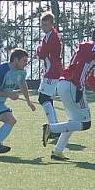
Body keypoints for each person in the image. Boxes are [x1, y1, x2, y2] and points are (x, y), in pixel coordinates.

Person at [42, 26, 95, 160]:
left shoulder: (89, 47)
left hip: (65, 84)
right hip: (72, 85)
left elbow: (89, 77)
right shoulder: (94, 48)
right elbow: (82, 67)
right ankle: (51, 129)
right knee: (85, 123)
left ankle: (58, 151)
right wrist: (79, 88)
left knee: (73, 120)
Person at [36, 11, 63, 142]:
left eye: (46, 25)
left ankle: (53, 129)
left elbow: (42, 54)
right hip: (52, 69)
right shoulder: (51, 35)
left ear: (52, 24)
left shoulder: (51, 36)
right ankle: (55, 128)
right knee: (48, 99)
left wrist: (39, 49)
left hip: (52, 71)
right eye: (42, 24)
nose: (43, 27)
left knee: (43, 98)